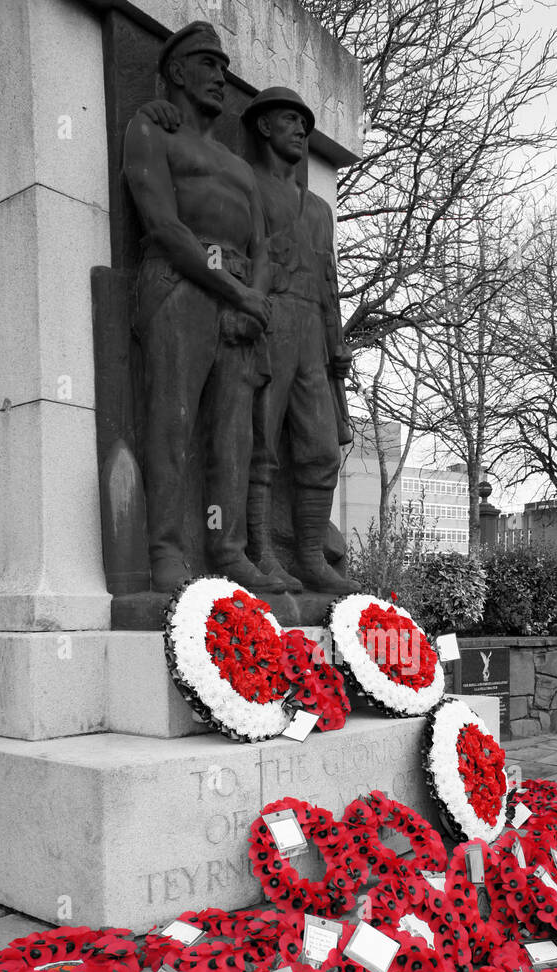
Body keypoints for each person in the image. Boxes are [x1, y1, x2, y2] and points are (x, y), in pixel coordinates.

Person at [123, 22, 286, 594]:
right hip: (179, 287)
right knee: (173, 421)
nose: (220, 75)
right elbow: (164, 225)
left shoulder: (240, 167)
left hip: (238, 304)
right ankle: (165, 549)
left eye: (222, 66)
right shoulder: (152, 129)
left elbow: (263, 248)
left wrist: (253, 300)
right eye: (207, 63)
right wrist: (235, 291)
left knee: (232, 435)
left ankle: (226, 546)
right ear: (174, 71)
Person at [243, 88, 358, 595]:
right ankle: (260, 550)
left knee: (320, 448)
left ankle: (310, 555)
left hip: (312, 329)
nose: (301, 130)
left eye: (305, 123)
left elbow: (330, 278)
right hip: (269, 322)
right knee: (259, 441)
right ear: (264, 126)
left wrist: (336, 341)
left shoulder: (318, 209)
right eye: (290, 119)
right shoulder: (245, 185)